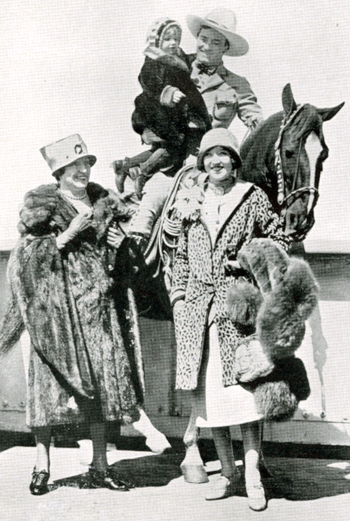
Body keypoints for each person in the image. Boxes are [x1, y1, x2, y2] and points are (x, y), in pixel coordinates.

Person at [0, 134, 144, 495]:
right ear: (59, 171)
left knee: (100, 391)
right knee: (46, 392)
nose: (83, 171)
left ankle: (100, 466)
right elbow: (25, 260)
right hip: (56, 317)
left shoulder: (102, 202)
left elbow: (121, 262)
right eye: (74, 166)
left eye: (87, 164)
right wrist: (66, 235)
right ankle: (42, 465)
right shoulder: (43, 207)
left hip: (97, 312)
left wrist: (120, 247)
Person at [170, 128, 290, 511]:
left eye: (224, 154)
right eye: (209, 156)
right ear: (202, 162)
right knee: (212, 401)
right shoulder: (191, 199)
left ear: (235, 161)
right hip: (199, 311)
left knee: (245, 398)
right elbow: (180, 259)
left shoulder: (251, 197)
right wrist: (179, 298)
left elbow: (279, 240)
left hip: (238, 311)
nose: (216, 161)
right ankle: (227, 472)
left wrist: (246, 260)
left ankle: (253, 476)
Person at [125, 7, 263, 254]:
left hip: (213, 163)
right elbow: (144, 100)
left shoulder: (237, 85)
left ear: (225, 49)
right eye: (203, 39)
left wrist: (256, 122)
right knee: (155, 192)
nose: (207, 47)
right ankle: (137, 255)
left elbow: (254, 116)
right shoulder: (173, 65)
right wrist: (146, 130)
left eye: (216, 42)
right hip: (174, 158)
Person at [112, 17, 211, 199]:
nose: (173, 43)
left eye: (176, 38)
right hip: (160, 115)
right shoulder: (153, 61)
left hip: (173, 115)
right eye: (167, 39)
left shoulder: (177, 57)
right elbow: (149, 82)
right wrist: (169, 92)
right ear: (157, 41)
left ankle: (124, 166)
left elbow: (185, 66)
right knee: (172, 150)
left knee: (157, 151)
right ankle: (143, 175)